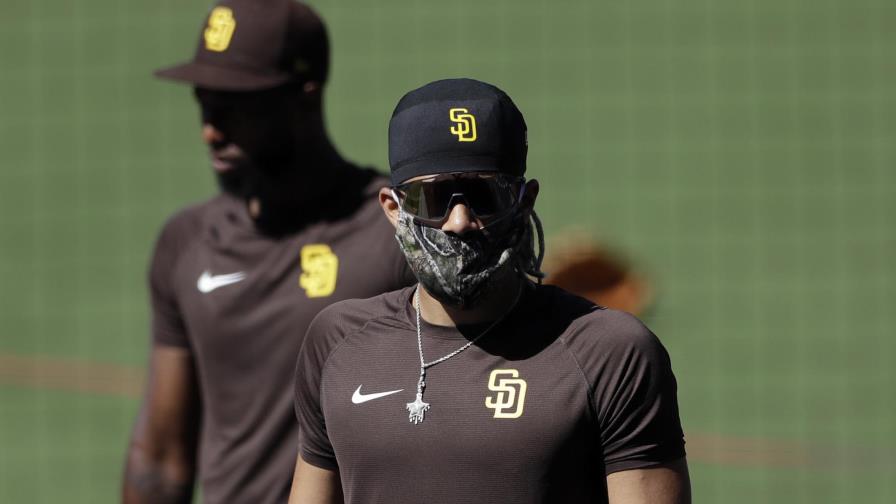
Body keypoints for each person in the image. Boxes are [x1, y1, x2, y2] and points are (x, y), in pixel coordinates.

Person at [289, 78, 691, 504]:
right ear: (393, 209)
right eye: (434, 197)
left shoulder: (610, 352)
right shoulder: (336, 341)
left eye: (484, 195)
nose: (459, 221)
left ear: (524, 201)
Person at [122, 0, 413, 502]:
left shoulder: (395, 228)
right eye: (205, 104)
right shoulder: (186, 244)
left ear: (304, 94)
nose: (210, 129)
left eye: (234, 106)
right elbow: (161, 455)